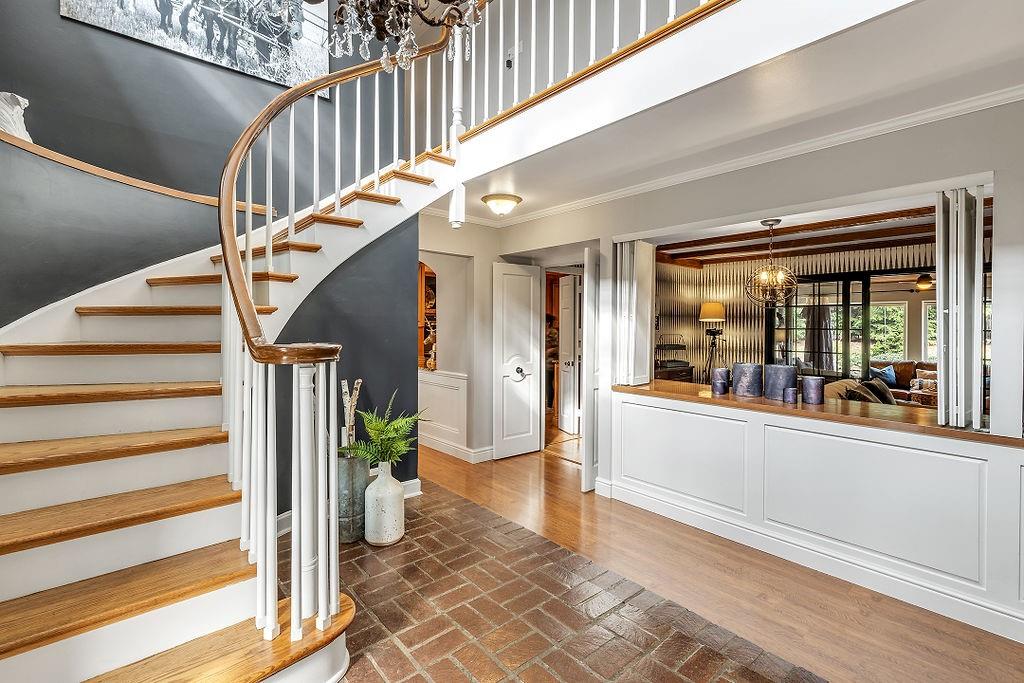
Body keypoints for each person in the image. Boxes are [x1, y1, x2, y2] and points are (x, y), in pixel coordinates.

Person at [546, 314, 558, 410]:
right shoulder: (542, 331)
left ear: (548, 323)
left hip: (550, 362)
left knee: (548, 383)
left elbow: (558, 347)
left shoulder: (553, 332)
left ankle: (549, 405)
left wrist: (549, 351)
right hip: (542, 361)